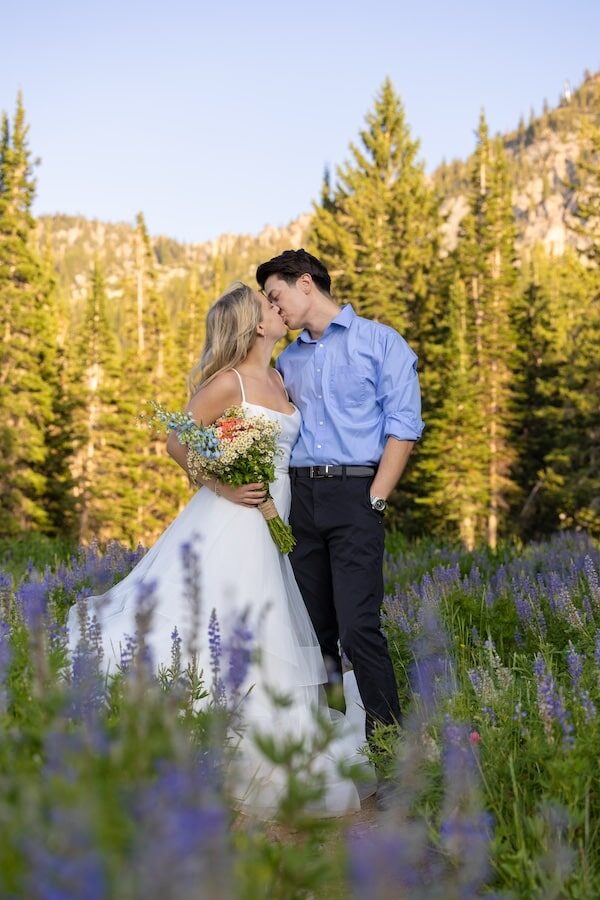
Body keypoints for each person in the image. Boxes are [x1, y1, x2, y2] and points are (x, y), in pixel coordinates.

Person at [67, 281, 374, 818]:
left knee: (268, 619)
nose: (278, 310)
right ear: (256, 324)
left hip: (276, 520)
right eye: (268, 307)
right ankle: (207, 736)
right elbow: (178, 441)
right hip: (233, 517)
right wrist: (224, 484)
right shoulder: (229, 382)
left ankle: (270, 735)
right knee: (227, 616)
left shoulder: (280, 377)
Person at [256, 250, 425, 806]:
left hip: (357, 496)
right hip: (300, 500)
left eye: (277, 294)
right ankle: (330, 751)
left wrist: (376, 499)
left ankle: (389, 759)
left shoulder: (381, 342)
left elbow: (403, 427)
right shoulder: (288, 362)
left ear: (307, 284)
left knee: (359, 630)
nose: (275, 307)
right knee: (313, 632)